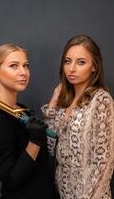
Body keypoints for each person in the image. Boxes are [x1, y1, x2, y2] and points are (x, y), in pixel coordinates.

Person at [42, 35, 114, 199]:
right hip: (64, 193)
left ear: (94, 67)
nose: (71, 68)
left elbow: (104, 163)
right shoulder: (63, 101)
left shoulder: (101, 100)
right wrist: (53, 103)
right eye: (67, 61)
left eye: (81, 62)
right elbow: (49, 147)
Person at [0, 43, 56, 199]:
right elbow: (11, 180)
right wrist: (35, 142)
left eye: (25, 65)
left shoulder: (21, 109)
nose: (23, 72)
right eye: (14, 66)